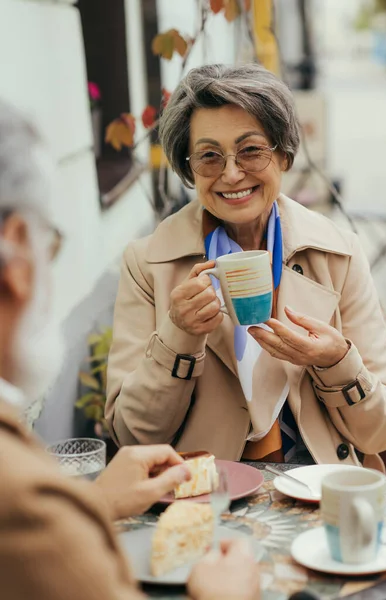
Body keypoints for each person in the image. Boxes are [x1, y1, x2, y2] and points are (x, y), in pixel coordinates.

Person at [0, 100, 260, 600]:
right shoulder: (24, 501)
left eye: (251, 150)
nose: (231, 174)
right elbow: (131, 427)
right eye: (48, 243)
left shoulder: (335, 246)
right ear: (16, 249)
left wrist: (94, 501)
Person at [106, 63, 386, 470]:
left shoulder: (340, 254)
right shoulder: (148, 264)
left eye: (251, 150)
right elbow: (132, 437)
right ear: (189, 168)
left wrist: (336, 362)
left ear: (283, 155)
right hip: (206, 499)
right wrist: (179, 336)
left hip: (320, 493)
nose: (230, 174)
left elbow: (382, 432)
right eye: (209, 156)